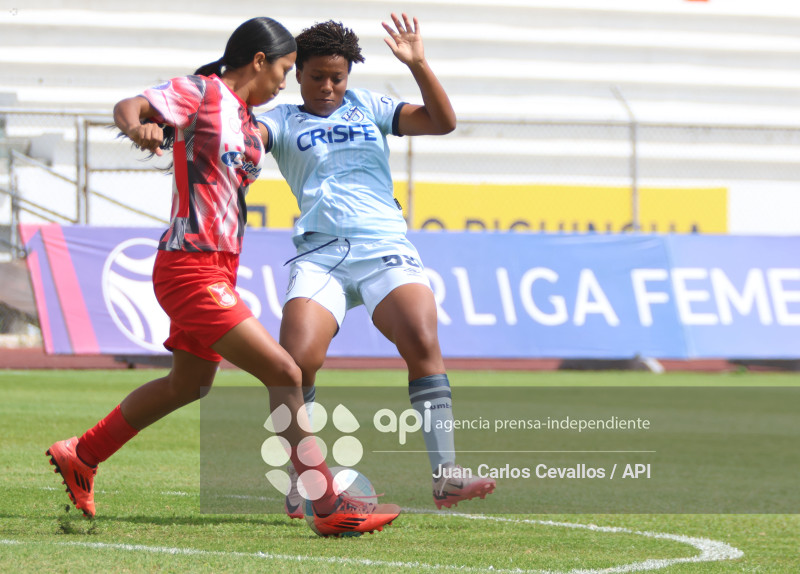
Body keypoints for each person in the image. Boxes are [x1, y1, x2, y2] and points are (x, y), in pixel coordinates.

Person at [45, 17, 399, 538]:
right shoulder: (204, 93)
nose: (285, 80)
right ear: (259, 61)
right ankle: (327, 505)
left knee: (188, 383)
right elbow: (129, 107)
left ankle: (82, 452)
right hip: (190, 265)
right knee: (284, 371)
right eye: (283, 69)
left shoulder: (243, 115)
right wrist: (138, 126)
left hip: (217, 266)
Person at [256, 14, 496, 518]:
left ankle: (446, 476)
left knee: (421, 337)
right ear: (296, 72)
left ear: (349, 76)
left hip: (383, 244)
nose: (327, 86)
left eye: (337, 77)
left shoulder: (369, 106)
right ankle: (309, 480)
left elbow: (442, 122)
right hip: (320, 254)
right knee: (295, 362)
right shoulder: (279, 120)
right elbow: (248, 141)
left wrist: (419, 64)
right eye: (317, 76)